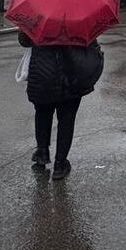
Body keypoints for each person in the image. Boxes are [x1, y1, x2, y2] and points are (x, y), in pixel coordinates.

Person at [19, 31, 104, 180]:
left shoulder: (37, 18)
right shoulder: (77, 19)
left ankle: (42, 153)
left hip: (42, 74)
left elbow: (24, 41)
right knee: (66, 120)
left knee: (42, 114)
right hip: (71, 77)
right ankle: (60, 164)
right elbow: (89, 41)